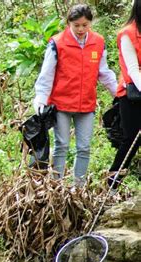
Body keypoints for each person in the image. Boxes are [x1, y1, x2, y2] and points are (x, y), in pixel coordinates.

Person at [32, 4, 118, 186]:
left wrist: (118, 93)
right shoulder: (57, 43)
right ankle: (57, 188)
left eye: (85, 25)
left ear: (90, 23)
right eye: (76, 25)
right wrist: (40, 98)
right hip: (61, 104)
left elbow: (104, 72)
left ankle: (78, 189)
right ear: (69, 23)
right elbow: (46, 74)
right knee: (62, 145)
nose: (80, 29)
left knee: (84, 148)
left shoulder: (98, 42)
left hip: (86, 104)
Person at [107, 0, 141, 190]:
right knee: (131, 140)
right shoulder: (127, 34)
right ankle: (112, 185)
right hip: (132, 96)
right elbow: (133, 71)